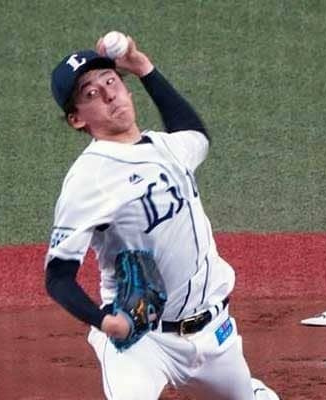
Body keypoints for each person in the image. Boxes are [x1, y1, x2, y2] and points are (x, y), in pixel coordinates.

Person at [44, 34, 280, 400]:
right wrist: (106, 322)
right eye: (91, 94)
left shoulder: (168, 147)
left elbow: (196, 135)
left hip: (214, 333)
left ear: (126, 89)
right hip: (142, 341)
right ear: (76, 119)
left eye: (111, 82)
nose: (108, 95)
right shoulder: (88, 179)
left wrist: (143, 68)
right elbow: (58, 277)